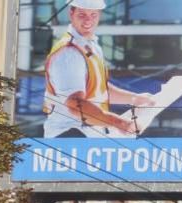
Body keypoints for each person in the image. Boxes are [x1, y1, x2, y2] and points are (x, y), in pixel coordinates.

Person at [43, 0, 154, 137]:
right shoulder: (69, 53)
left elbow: (99, 89)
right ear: (71, 13)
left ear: (99, 15)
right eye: (82, 14)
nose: (88, 20)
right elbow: (75, 105)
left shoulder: (92, 46)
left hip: (85, 134)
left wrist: (134, 98)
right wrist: (119, 123)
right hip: (68, 136)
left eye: (93, 15)